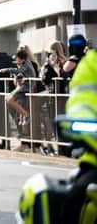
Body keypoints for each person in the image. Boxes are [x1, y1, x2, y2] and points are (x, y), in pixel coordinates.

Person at [59, 47, 97, 221]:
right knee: (75, 200)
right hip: (96, 160)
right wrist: (83, 126)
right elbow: (80, 105)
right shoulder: (92, 62)